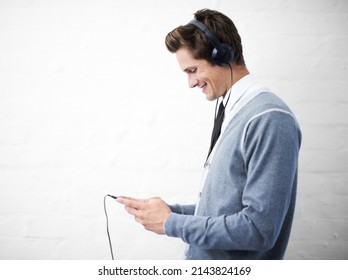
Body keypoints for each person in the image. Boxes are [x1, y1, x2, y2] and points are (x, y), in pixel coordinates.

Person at [116, 8, 301, 260]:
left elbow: (259, 229)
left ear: (222, 55)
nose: (191, 83)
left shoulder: (269, 118)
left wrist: (172, 223)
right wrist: (171, 212)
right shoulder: (235, 111)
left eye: (193, 70)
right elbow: (226, 209)